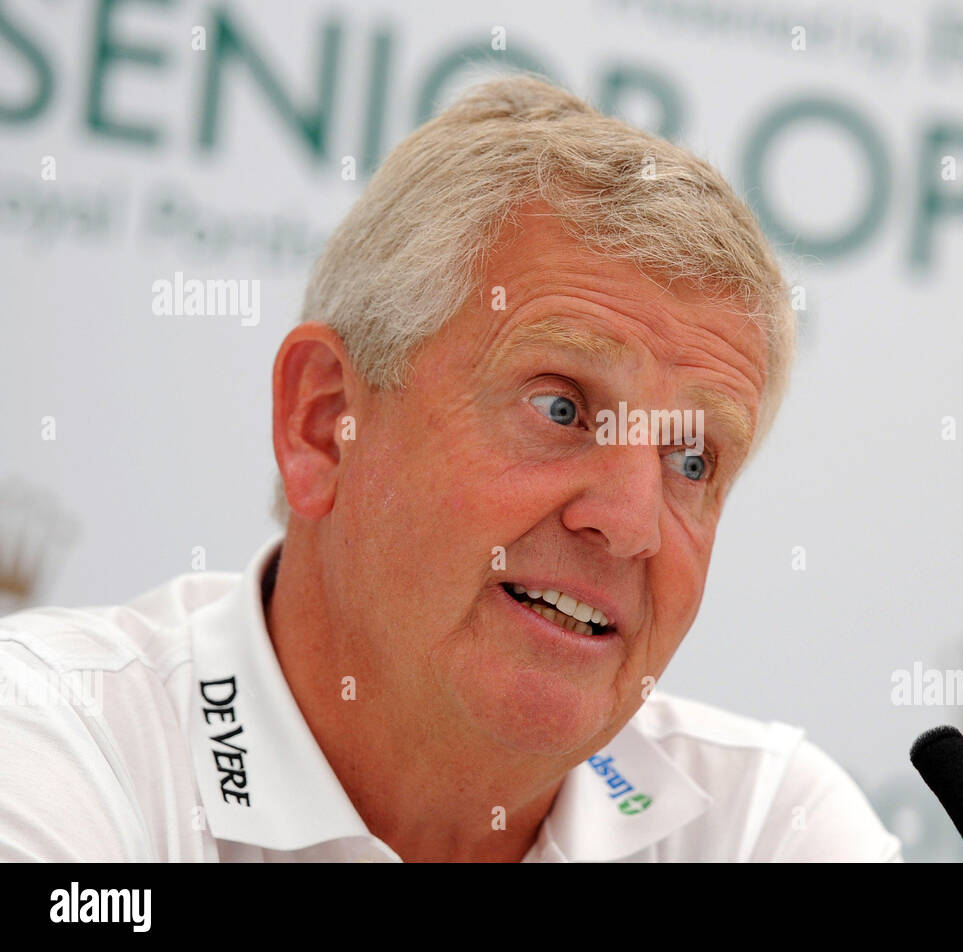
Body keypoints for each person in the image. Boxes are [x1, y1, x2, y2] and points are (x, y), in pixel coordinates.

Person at [0, 75, 901, 862]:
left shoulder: (763, 829)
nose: (630, 521)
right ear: (326, 424)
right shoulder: (51, 742)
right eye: (562, 407)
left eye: (691, 457)